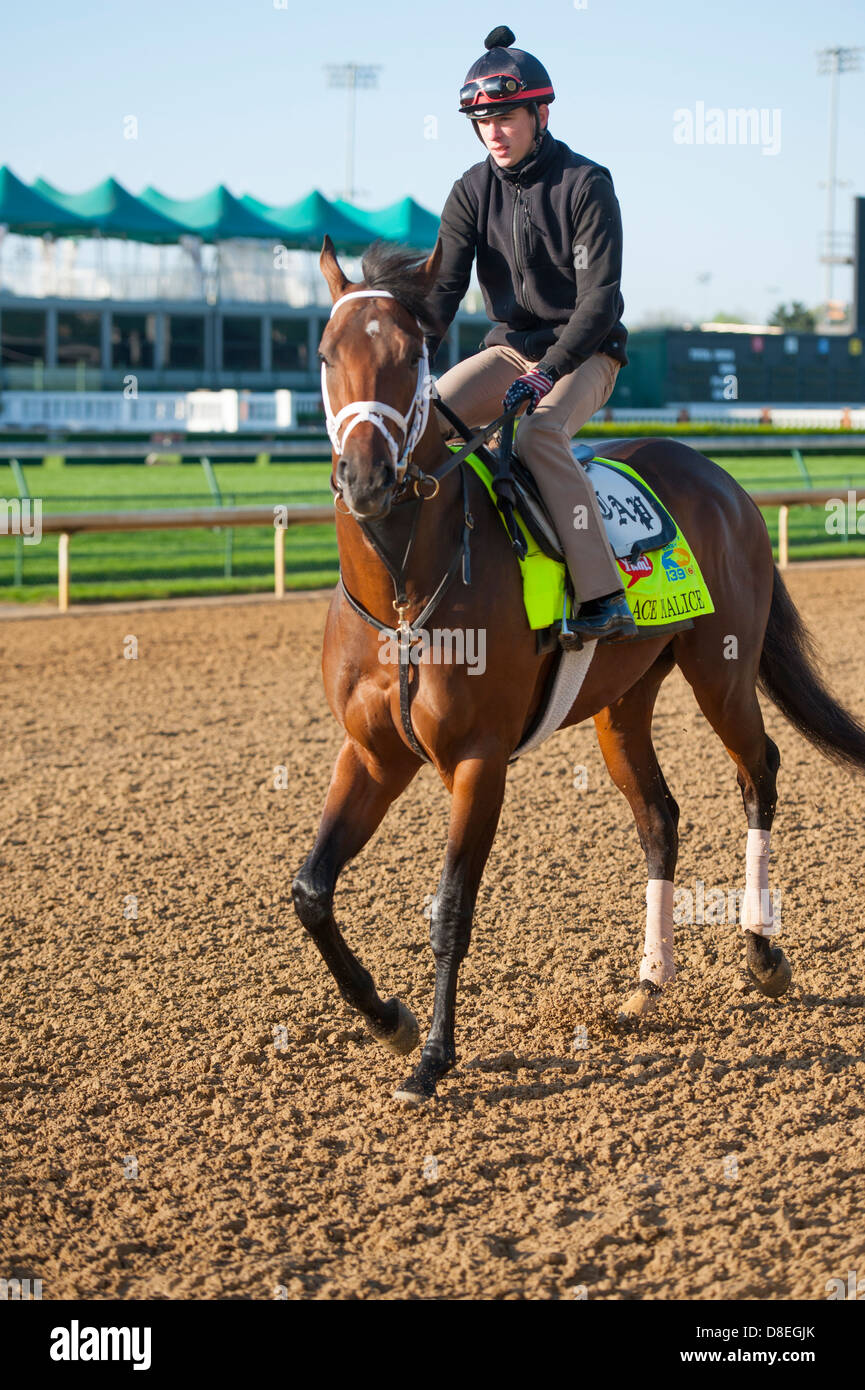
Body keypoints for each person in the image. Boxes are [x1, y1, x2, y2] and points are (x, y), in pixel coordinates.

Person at [422, 25, 637, 642]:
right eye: (483, 120)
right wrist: (415, 363)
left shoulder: (587, 183)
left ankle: (603, 594)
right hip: (510, 350)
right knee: (427, 420)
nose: (494, 131)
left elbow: (601, 302)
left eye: (507, 116)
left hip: (586, 351)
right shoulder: (469, 190)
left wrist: (550, 370)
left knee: (541, 433)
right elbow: (442, 294)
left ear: (539, 113)